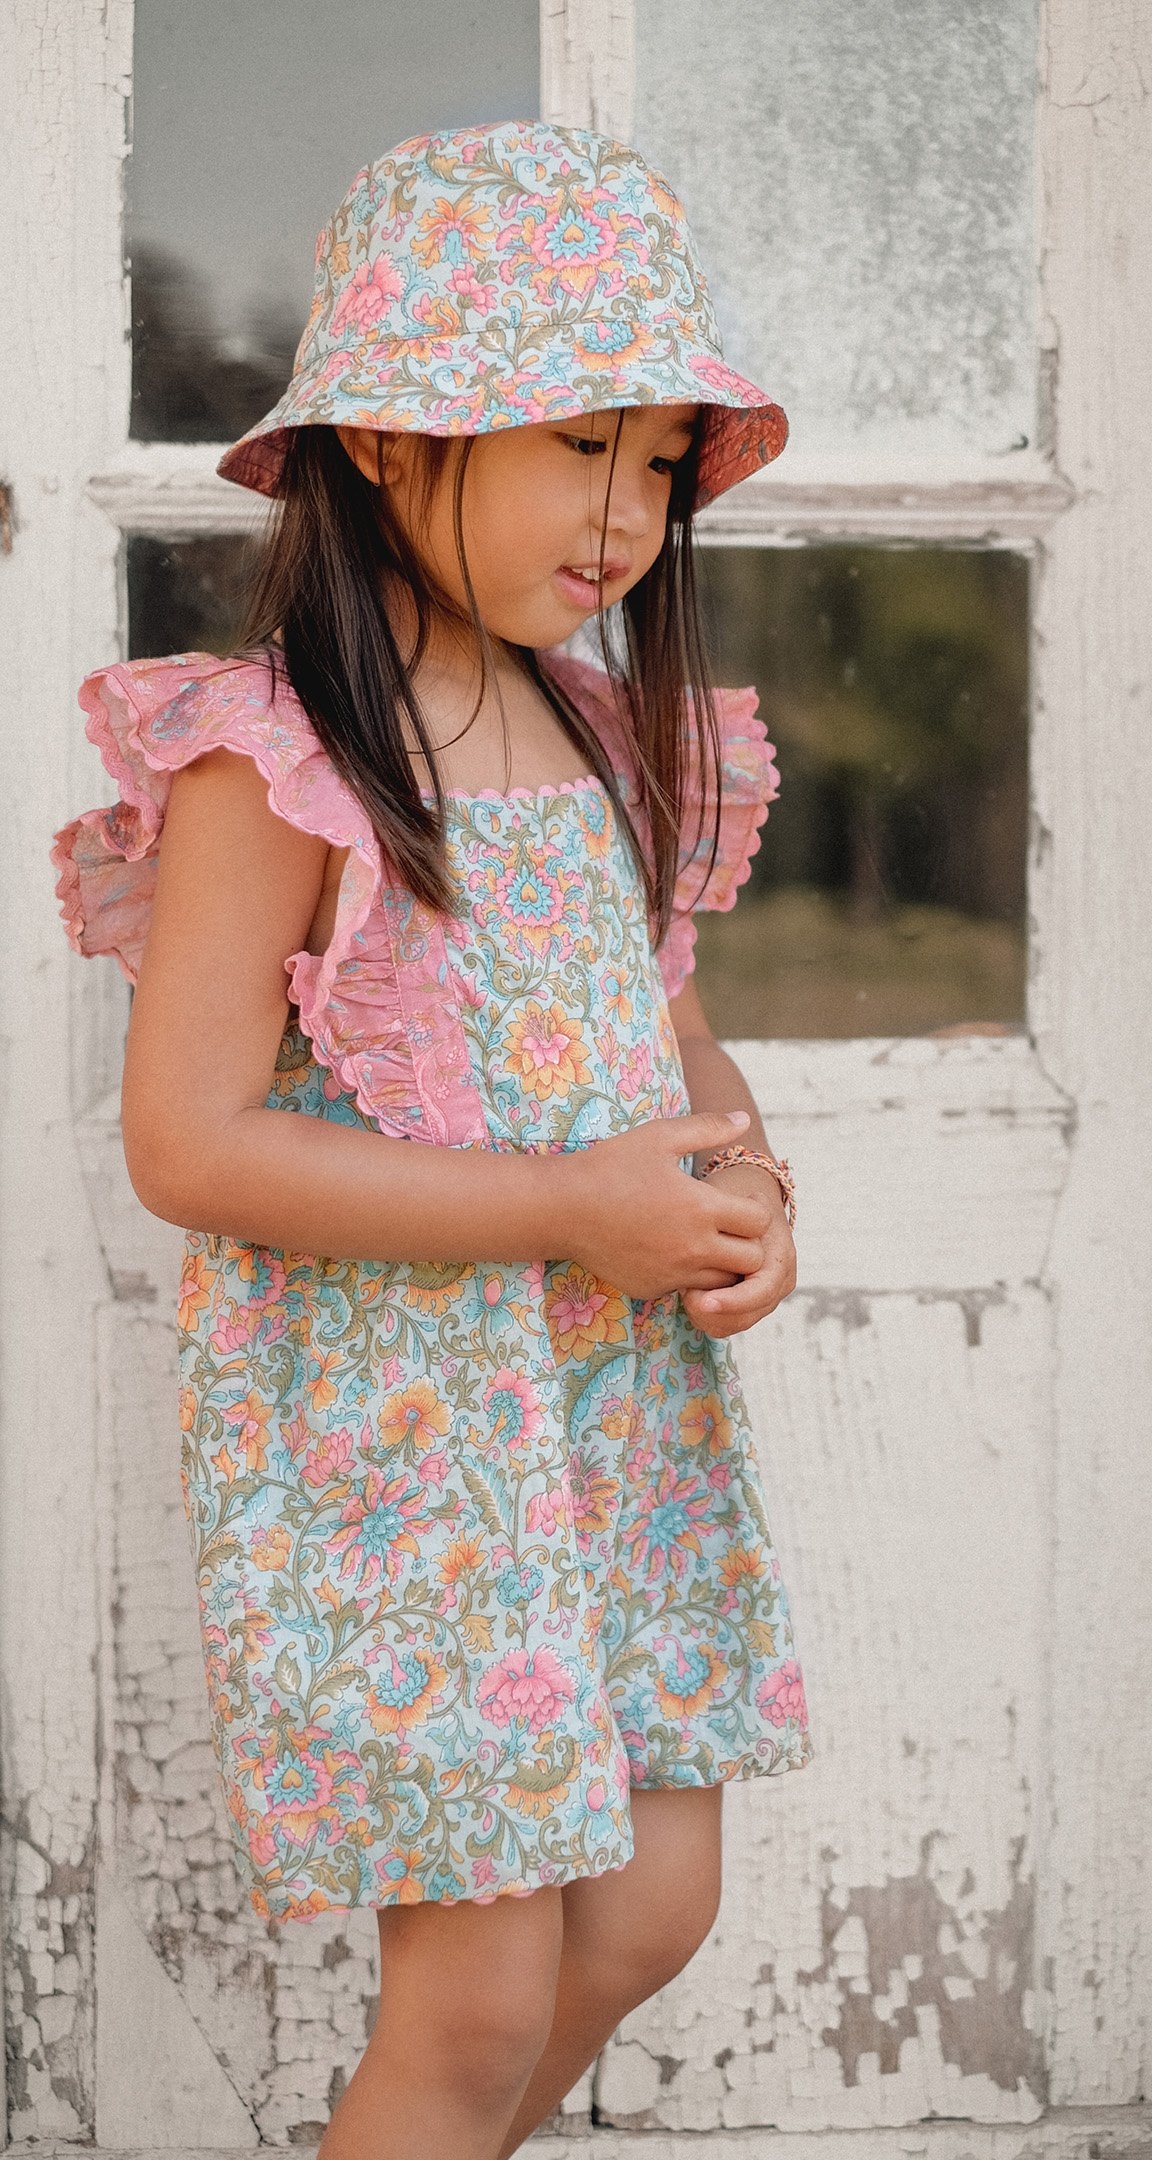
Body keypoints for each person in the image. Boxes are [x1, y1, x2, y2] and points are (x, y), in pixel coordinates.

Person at [53, 121, 811, 2160]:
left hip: (611, 1427)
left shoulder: (604, 733)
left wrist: (744, 1188)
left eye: (662, 461)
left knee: (652, 1907)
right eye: (584, 444)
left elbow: (667, 1033)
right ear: (389, 443)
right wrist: (565, 1202)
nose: (632, 512)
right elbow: (195, 1146)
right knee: (470, 2006)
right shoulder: (276, 756)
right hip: (405, 1452)